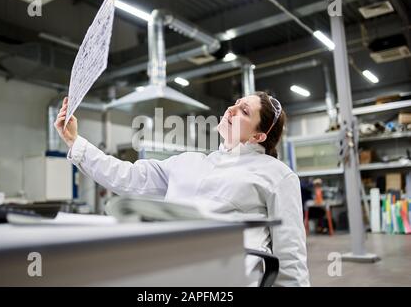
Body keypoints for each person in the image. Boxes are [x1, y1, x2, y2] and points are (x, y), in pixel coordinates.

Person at [55, 91, 310, 287]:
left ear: (259, 136)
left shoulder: (277, 174)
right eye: (235, 103)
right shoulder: (188, 162)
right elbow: (126, 176)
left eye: (244, 111)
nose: (231, 110)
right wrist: (75, 142)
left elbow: (290, 256)